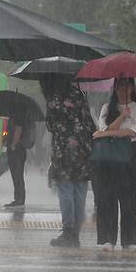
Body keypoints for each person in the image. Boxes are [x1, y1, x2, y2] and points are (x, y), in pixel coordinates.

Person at [93, 77, 136, 253]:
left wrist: (109, 133)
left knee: (128, 199)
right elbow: (105, 130)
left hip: (130, 155)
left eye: (126, 85)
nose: (122, 89)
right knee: (106, 198)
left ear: (132, 87)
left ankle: (130, 240)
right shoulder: (106, 108)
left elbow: (133, 132)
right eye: (119, 85)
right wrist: (122, 116)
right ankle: (107, 239)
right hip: (108, 157)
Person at [45, 76, 95, 247]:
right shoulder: (80, 95)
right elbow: (89, 125)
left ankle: (68, 232)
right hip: (82, 152)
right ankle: (76, 233)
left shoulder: (54, 98)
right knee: (79, 192)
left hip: (64, 153)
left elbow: (52, 126)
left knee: (66, 190)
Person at [4, 108, 27, 209]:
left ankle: (19, 199)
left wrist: (13, 144)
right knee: (16, 175)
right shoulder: (14, 117)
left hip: (17, 151)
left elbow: (18, 129)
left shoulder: (18, 116)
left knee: (17, 175)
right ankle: (18, 198)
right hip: (15, 150)